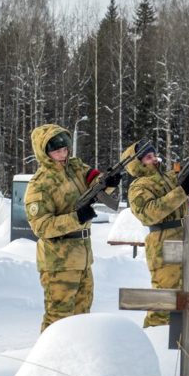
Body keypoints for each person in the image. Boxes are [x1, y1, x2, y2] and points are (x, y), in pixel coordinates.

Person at [25, 124, 121, 331]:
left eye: (65, 148)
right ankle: (47, 361)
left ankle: (76, 360)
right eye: (56, 150)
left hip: (82, 257)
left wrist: (110, 181)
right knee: (58, 320)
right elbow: (41, 226)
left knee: (82, 317)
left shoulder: (77, 169)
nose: (62, 153)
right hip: (58, 263)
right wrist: (76, 217)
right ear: (44, 152)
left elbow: (97, 184)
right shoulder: (39, 184)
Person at [123, 139, 189, 327]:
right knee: (164, 300)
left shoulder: (168, 177)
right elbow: (149, 214)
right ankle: (155, 337)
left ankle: (179, 338)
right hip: (162, 241)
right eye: (147, 156)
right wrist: (181, 192)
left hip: (185, 236)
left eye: (153, 154)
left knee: (184, 295)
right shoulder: (139, 186)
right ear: (137, 162)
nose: (153, 157)